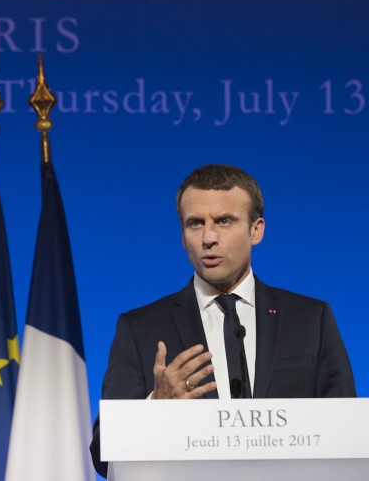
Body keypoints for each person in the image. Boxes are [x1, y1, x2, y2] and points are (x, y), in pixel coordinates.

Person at [90, 163, 356, 477]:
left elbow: (347, 438)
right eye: (195, 223)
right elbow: (101, 455)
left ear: (256, 230)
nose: (208, 237)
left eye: (224, 221)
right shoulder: (140, 328)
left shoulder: (311, 319)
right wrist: (155, 406)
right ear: (182, 235)